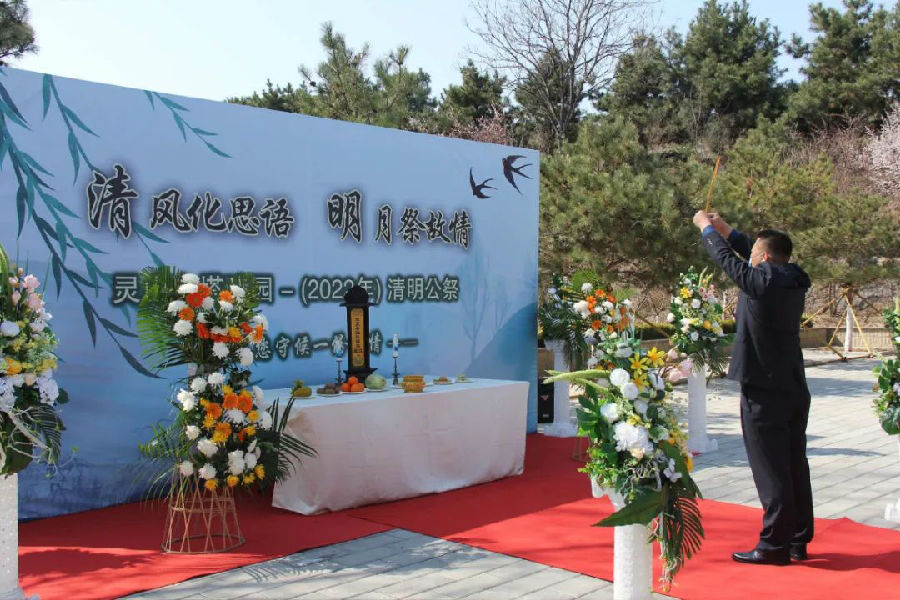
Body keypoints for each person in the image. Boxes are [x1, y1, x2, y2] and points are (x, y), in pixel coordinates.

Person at [692, 209, 814, 566]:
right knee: (794, 463)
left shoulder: (761, 281)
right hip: (792, 386)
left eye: (756, 255)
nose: (752, 259)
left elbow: (730, 262)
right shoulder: (791, 277)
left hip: (764, 388)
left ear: (765, 259)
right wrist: (726, 229)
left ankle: (774, 545)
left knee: (770, 468)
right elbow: (749, 256)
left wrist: (706, 231)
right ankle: (797, 538)